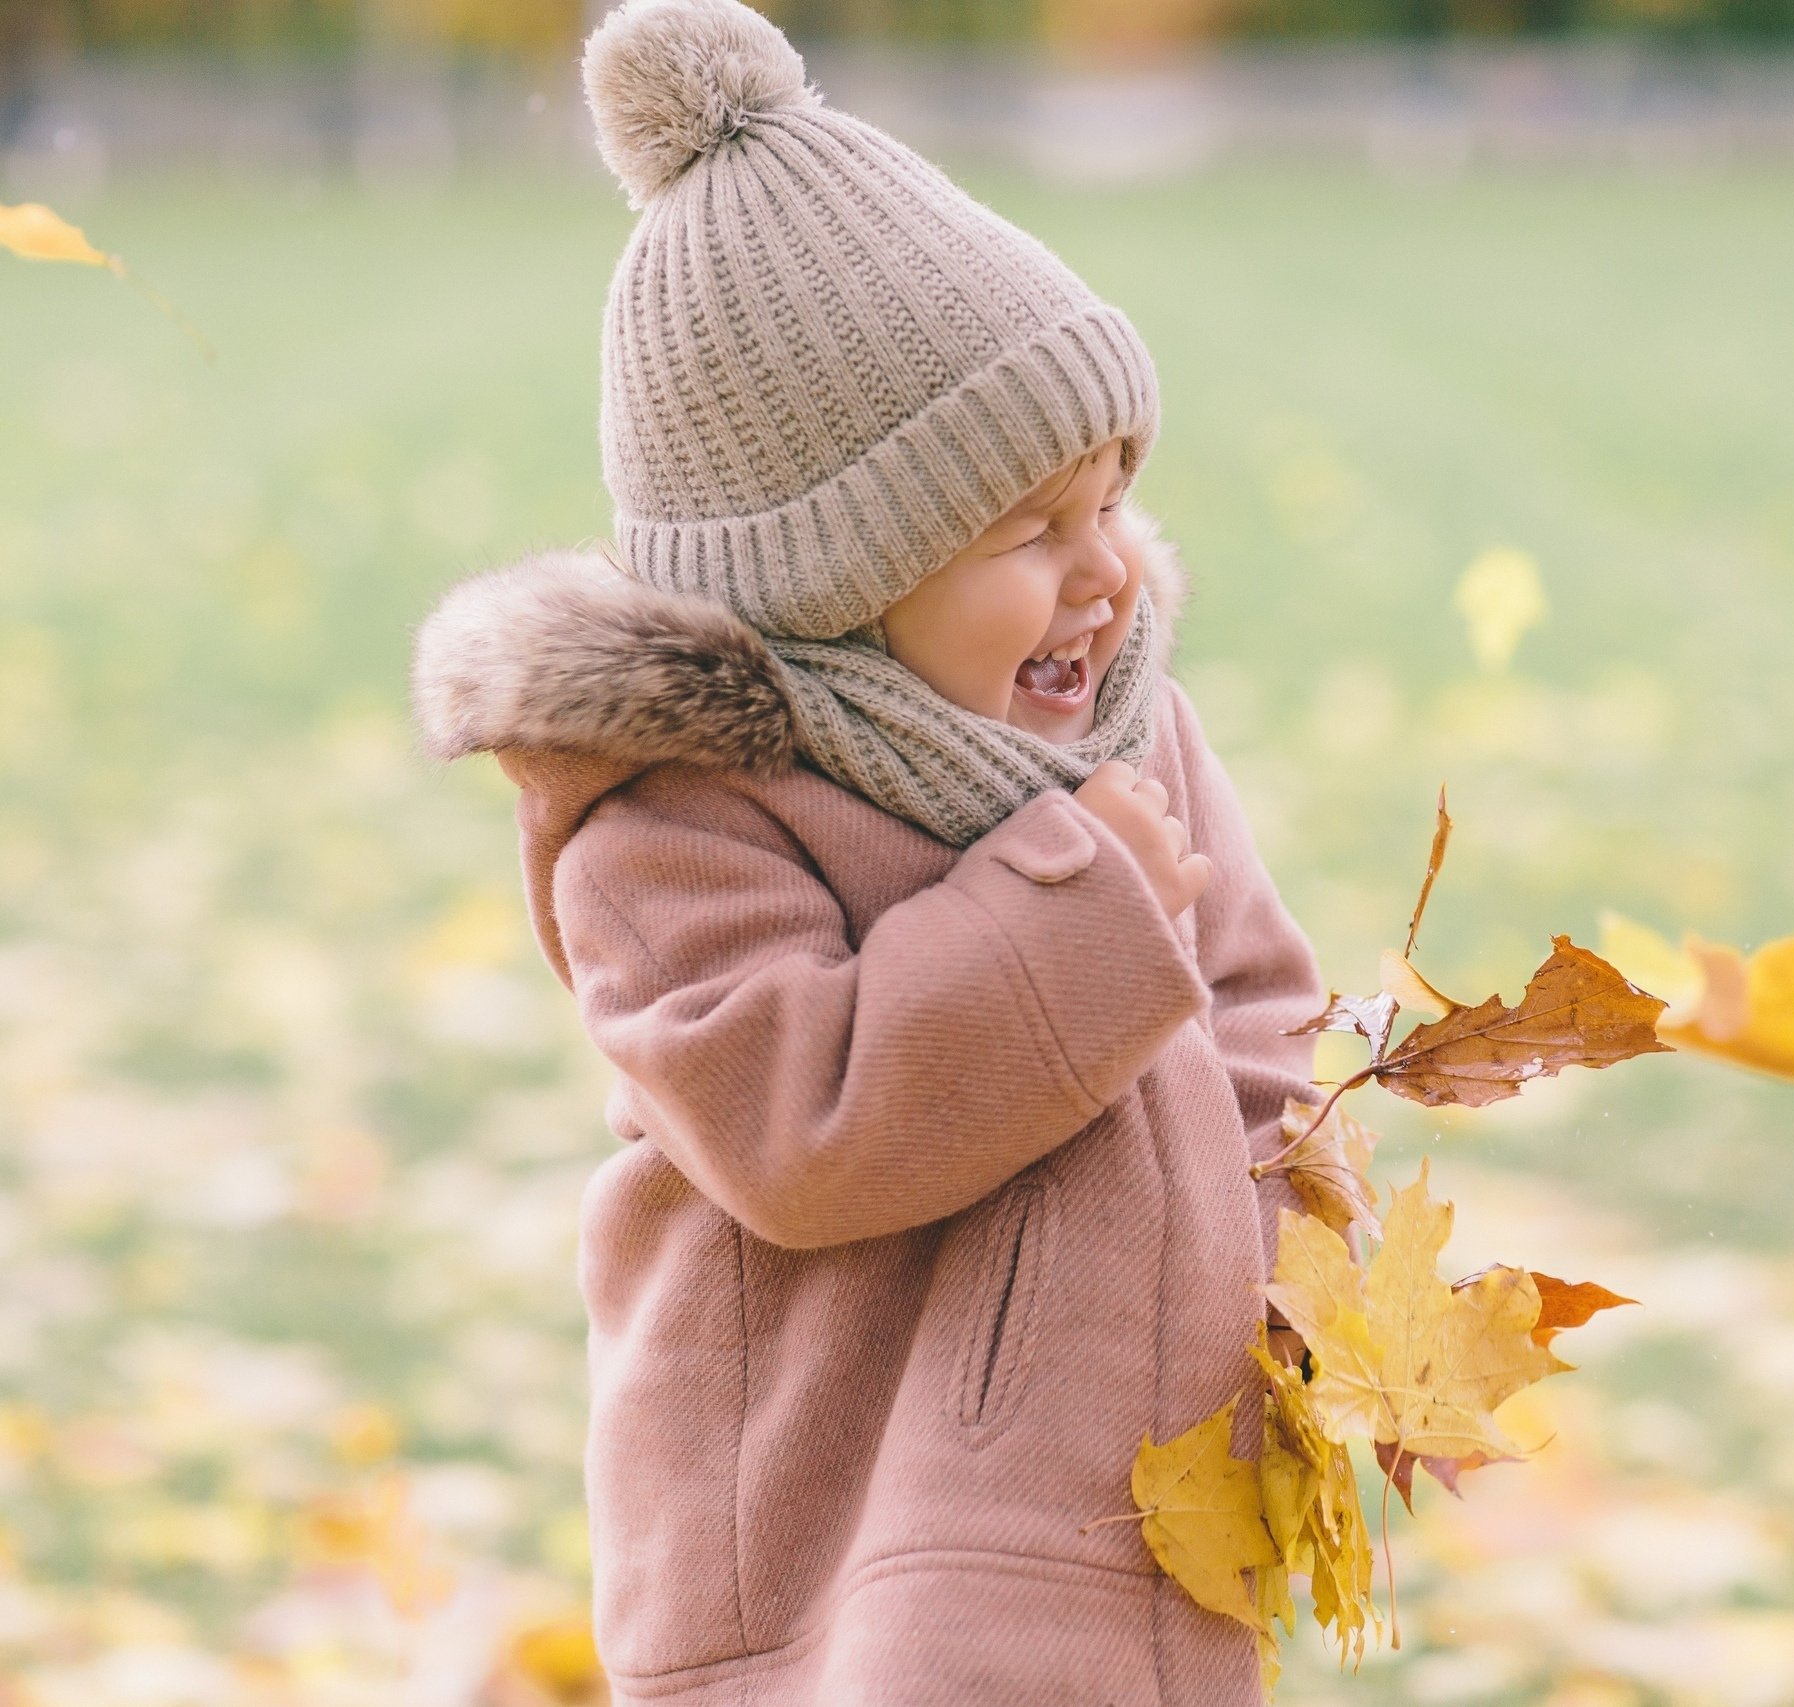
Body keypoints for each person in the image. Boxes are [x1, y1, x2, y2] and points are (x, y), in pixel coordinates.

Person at [409, 1, 1322, 1698]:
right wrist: (1072, 904)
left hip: (1146, 1513)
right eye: (1027, 530)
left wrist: (1313, 1282)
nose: (1107, 567)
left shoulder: (1132, 733)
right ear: (833, 575)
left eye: (1113, 495)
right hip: (855, 1566)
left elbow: (1262, 1015)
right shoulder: (672, 816)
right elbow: (797, 1125)